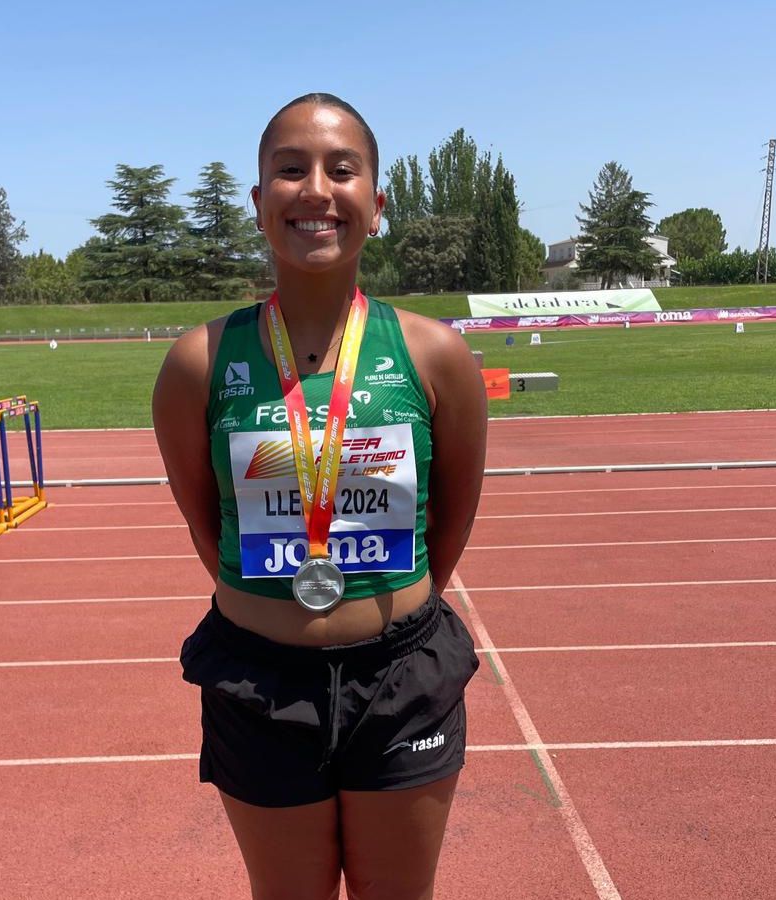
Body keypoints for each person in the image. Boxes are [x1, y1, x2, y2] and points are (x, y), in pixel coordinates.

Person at [152, 92, 487, 900]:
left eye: (343, 170)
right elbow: (208, 528)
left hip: (401, 680)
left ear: (376, 203)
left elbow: (453, 522)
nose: (316, 189)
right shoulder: (199, 361)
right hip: (258, 683)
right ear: (259, 201)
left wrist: (390, 612)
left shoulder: (434, 354)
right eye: (289, 169)